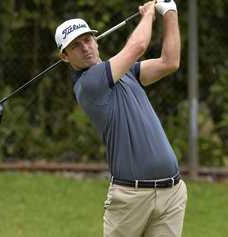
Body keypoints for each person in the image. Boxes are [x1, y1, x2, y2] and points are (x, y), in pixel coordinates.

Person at [54, 0, 187, 237]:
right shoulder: (89, 84)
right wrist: (148, 15)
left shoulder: (126, 73)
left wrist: (169, 11)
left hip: (171, 192)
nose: (85, 48)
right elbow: (137, 46)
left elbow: (170, 62)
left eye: (87, 40)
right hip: (130, 198)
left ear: (96, 40)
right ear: (65, 57)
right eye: (75, 46)